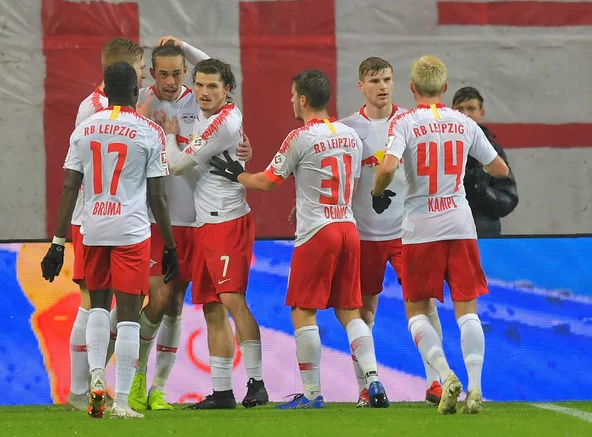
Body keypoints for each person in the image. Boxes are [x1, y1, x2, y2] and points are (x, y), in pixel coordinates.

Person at [209, 69, 382, 409]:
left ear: (303, 99)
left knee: (303, 312)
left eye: (292, 95)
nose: (290, 101)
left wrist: (237, 173)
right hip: (348, 227)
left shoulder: (299, 137)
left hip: (317, 232)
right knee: (350, 312)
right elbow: (353, 183)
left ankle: (312, 394)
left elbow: (267, 181)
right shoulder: (349, 135)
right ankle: (373, 381)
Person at [116, 37, 252, 412]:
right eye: (164, 74)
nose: (173, 81)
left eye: (179, 73)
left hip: (198, 220)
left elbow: (218, 70)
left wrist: (186, 45)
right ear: (152, 73)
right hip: (157, 219)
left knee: (176, 305)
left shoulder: (200, 98)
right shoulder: (140, 100)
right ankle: (134, 375)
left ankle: (158, 387)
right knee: (157, 299)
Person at [41, 62, 179, 419]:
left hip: (93, 229)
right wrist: (170, 246)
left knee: (98, 307)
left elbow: (71, 186)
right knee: (129, 317)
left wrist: (57, 242)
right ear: (136, 92)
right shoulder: (149, 131)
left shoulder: (84, 130)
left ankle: (95, 377)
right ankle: (120, 401)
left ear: (107, 90)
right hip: (131, 232)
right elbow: (157, 197)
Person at [372, 56, 509, 414]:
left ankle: (446, 375)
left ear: (412, 88)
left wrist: (377, 190)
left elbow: (387, 167)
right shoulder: (464, 122)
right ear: (445, 89)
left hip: (420, 228)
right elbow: (500, 168)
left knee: (416, 309)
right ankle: (476, 389)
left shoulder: (404, 121)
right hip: (461, 225)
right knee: (468, 309)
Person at [156, 58, 267, 410]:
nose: (203, 93)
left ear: (227, 90)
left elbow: (174, 165)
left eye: (212, 87)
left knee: (233, 299)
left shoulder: (222, 123)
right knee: (212, 308)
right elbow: (211, 65)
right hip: (208, 222)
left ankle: (257, 382)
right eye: (200, 85)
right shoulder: (217, 114)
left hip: (226, 222)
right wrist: (185, 47)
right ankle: (222, 392)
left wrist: (170, 136)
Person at [339, 57, 444, 407]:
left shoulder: (411, 122)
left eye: (387, 79)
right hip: (365, 235)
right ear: (361, 86)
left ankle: (436, 383)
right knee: (365, 310)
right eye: (374, 81)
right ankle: (366, 387)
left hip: (407, 234)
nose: (382, 86)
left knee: (424, 303)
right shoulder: (348, 128)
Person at [65, 37, 146, 411]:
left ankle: (89, 385)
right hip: (99, 218)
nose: (144, 75)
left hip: (96, 218)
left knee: (100, 303)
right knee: (92, 304)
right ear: (128, 71)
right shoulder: (98, 110)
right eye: (142, 68)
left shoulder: (95, 108)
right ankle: (80, 391)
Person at [452, 86, 519, 236]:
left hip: (485, 238)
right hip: (448, 235)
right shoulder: (439, 147)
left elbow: (508, 200)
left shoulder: (494, 151)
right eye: (460, 109)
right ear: (452, 112)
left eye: (471, 108)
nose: (465, 114)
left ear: (481, 113)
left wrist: (481, 190)